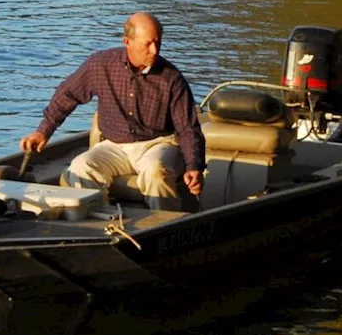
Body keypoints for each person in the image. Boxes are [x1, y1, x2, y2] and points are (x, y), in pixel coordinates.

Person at [21, 13, 206, 210]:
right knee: (81, 167)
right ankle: (97, 223)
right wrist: (43, 131)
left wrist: (194, 166)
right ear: (127, 42)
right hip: (113, 145)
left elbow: (188, 128)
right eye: (148, 44)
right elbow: (67, 94)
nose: (154, 51)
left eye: (158, 43)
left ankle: (164, 224)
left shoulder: (172, 79)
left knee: (156, 173)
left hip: (157, 144)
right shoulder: (100, 65)